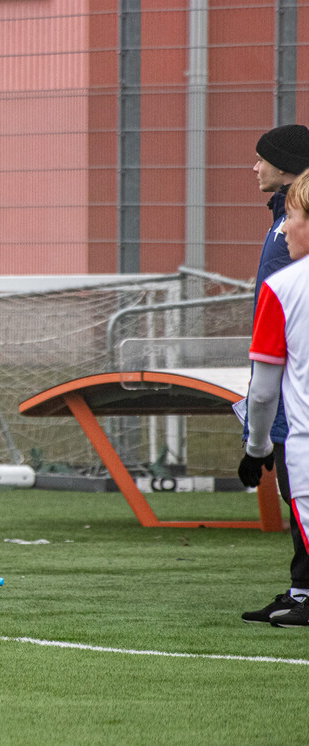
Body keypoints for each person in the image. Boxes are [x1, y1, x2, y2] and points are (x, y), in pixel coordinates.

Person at [238, 124, 309, 625]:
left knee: (300, 493)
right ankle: (301, 588)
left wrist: (256, 441)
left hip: (293, 393)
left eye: (262, 158)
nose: (255, 166)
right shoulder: (280, 222)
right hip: (284, 386)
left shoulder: (290, 280)